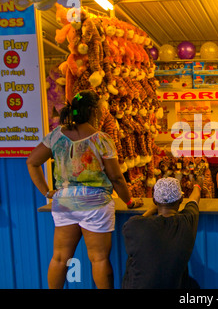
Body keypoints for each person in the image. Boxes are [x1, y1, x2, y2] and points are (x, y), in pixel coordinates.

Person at [26, 90, 143, 289]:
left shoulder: (56, 135)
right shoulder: (101, 139)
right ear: (93, 111)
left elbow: (32, 162)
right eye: (99, 109)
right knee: (98, 259)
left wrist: (47, 192)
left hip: (64, 202)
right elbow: (116, 177)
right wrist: (129, 201)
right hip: (96, 204)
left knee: (60, 258)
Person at [122, 177, 201, 289]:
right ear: (181, 199)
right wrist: (197, 186)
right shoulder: (188, 221)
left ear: (154, 201)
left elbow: (135, 221)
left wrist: (152, 209)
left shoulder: (135, 226)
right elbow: (194, 199)